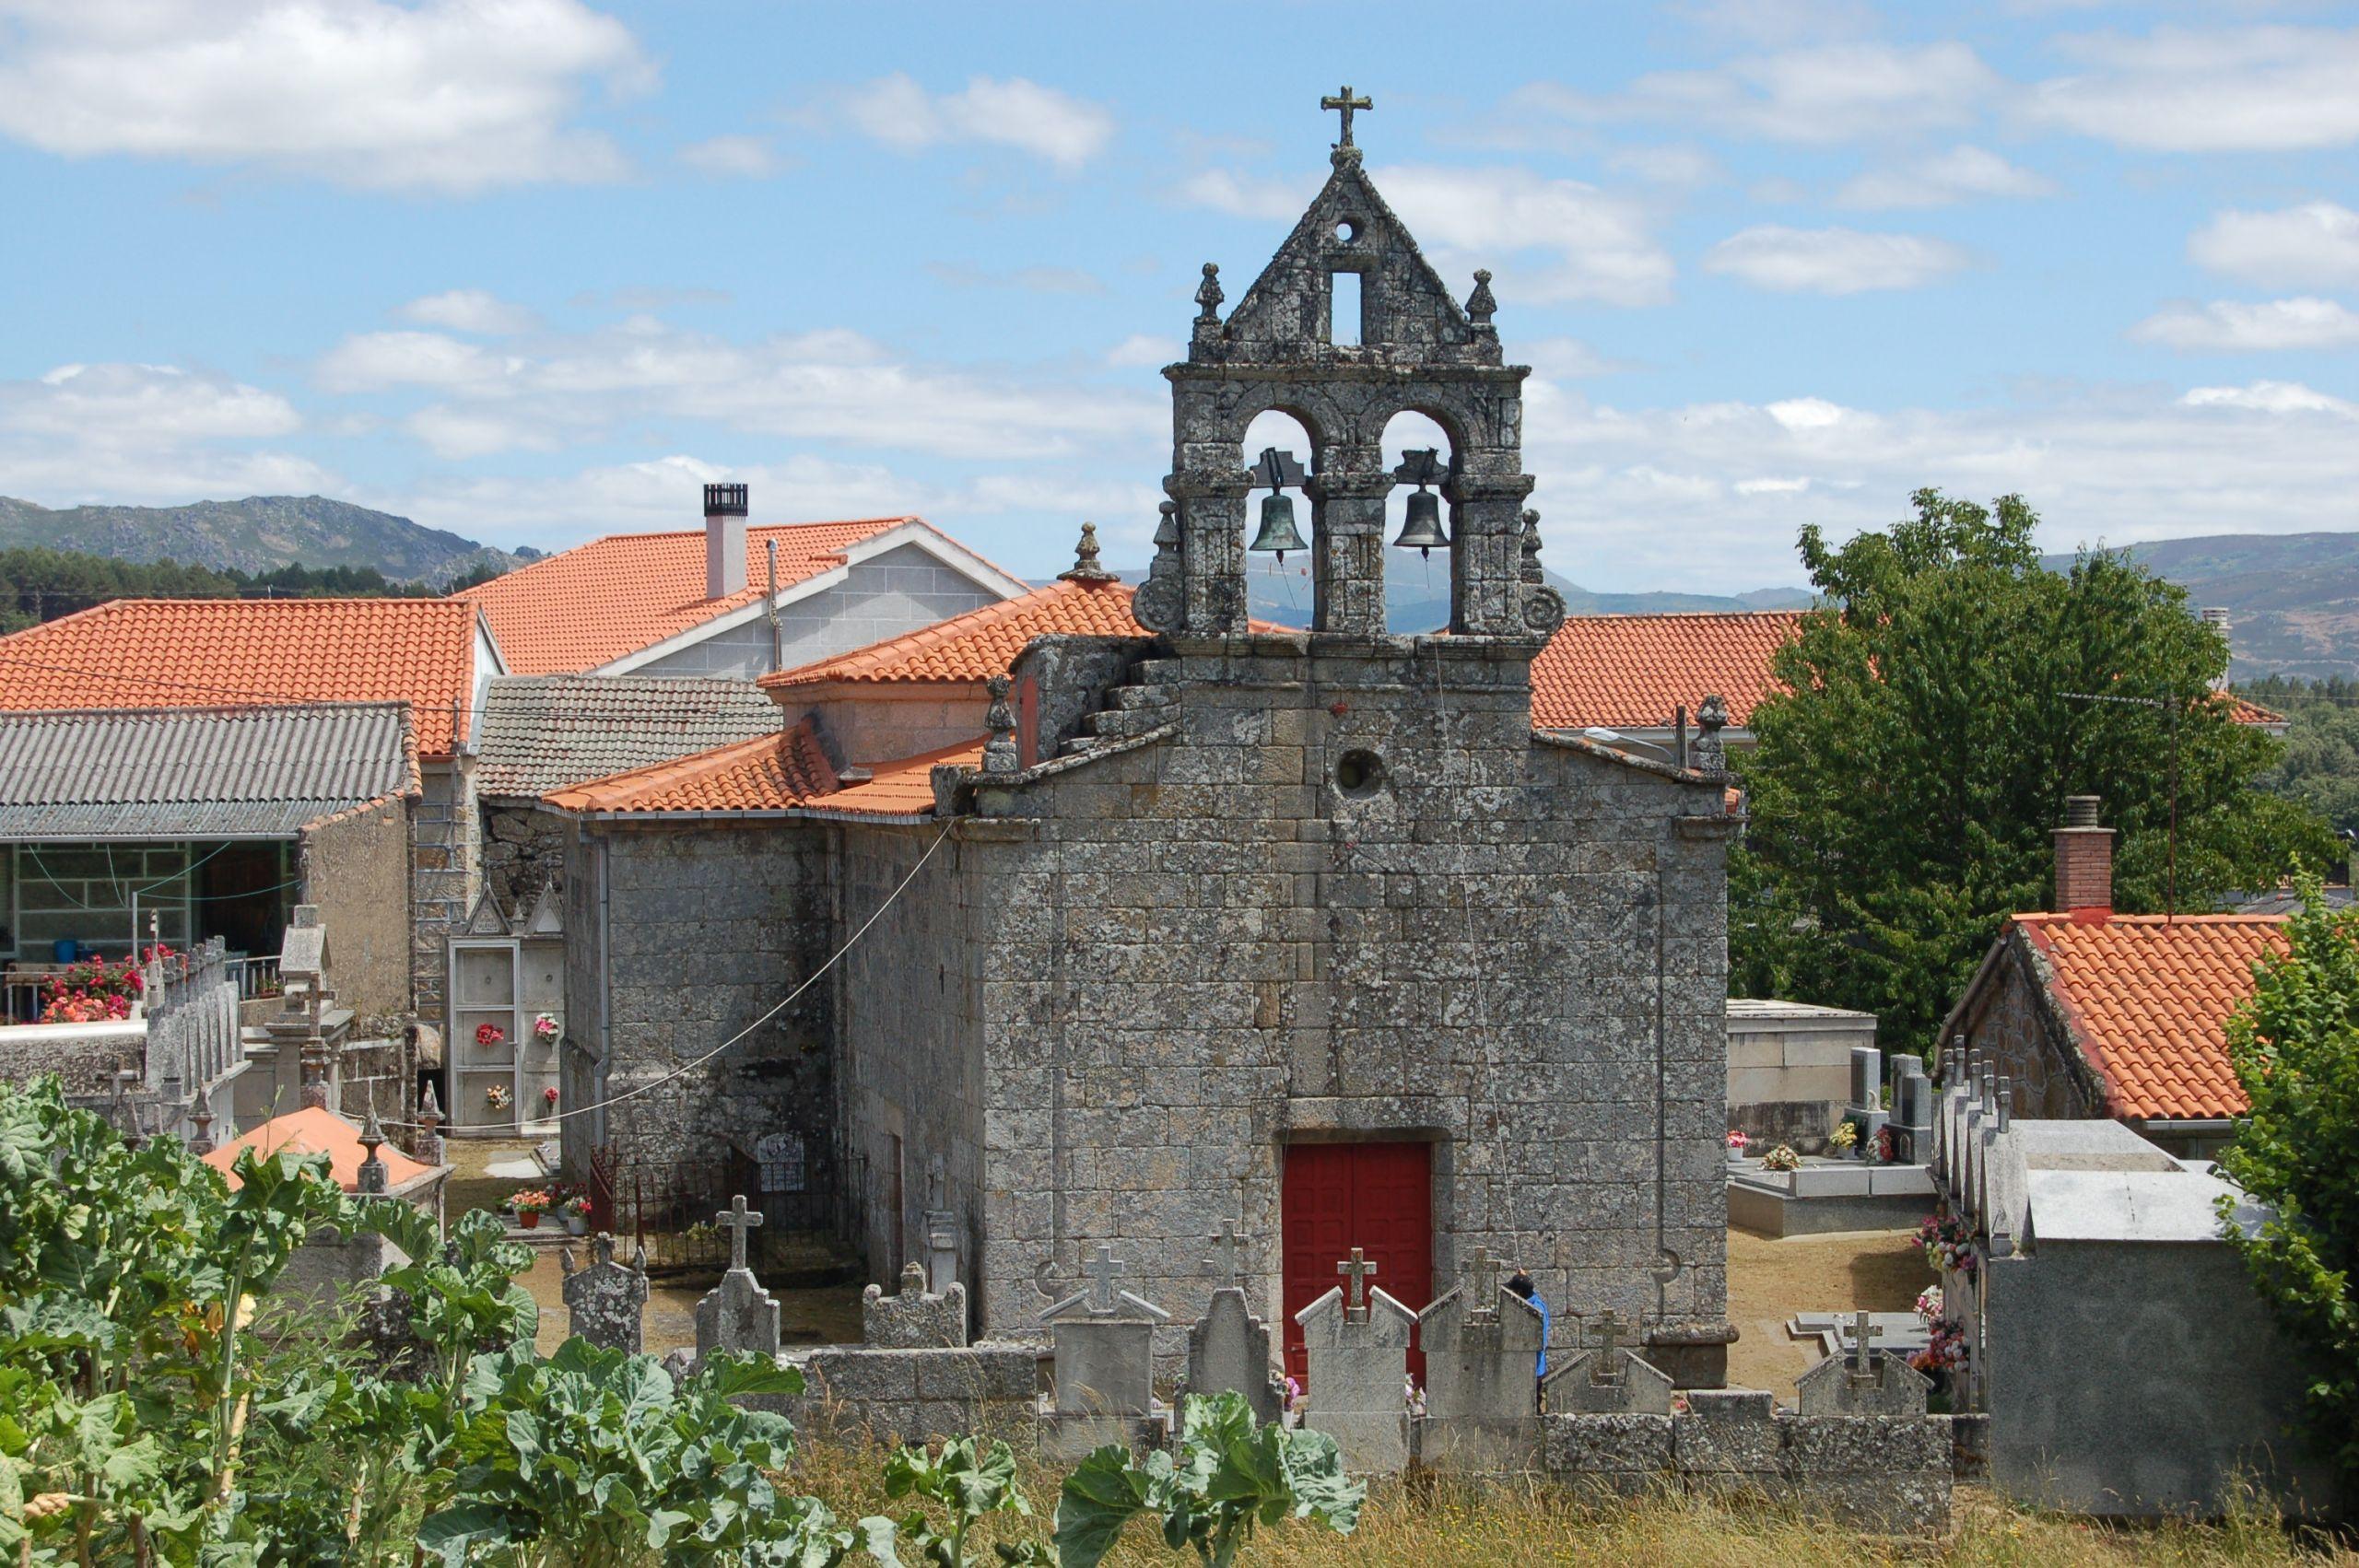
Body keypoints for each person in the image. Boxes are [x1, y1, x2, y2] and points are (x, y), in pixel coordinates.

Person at [1507, 1267, 1550, 1378]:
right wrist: (1524, 1279)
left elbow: (1540, 1342)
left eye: (1513, 1292)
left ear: (1519, 1292)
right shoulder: (1534, 1300)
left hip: (1533, 1372)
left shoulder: (1534, 1312)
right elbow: (1529, 1291)